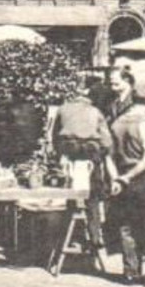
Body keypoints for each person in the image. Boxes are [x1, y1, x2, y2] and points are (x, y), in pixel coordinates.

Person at [102, 68, 145, 283]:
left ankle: (130, 271)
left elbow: (108, 157)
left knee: (126, 226)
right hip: (142, 180)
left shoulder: (115, 124)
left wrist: (116, 179)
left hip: (119, 180)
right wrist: (128, 177)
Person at [49, 74, 113, 248]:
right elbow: (107, 140)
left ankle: (70, 234)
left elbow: (54, 136)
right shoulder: (95, 112)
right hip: (90, 155)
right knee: (92, 196)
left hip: (68, 153)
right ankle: (94, 235)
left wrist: (57, 154)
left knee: (69, 193)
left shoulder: (63, 109)